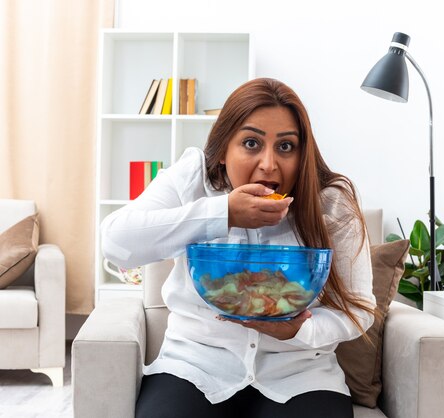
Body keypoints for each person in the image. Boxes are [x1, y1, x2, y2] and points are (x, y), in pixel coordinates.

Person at [101, 77, 377, 418]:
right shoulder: (192, 180)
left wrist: (301, 329)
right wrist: (223, 213)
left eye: (286, 147)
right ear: (223, 150)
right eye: (251, 143)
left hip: (302, 373)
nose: (269, 164)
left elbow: (361, 307)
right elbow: (116, 242)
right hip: (195, 365)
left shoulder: (332, 203)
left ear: (303, 153)